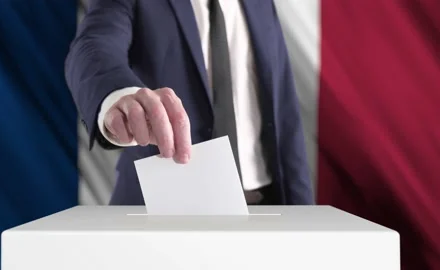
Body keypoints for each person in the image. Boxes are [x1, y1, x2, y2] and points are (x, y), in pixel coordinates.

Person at [65, 0, 313, 205]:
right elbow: (94, 44)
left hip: (267, 204)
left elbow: (283, 110)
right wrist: (119, 94)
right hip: (165, 206)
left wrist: (303, 211)